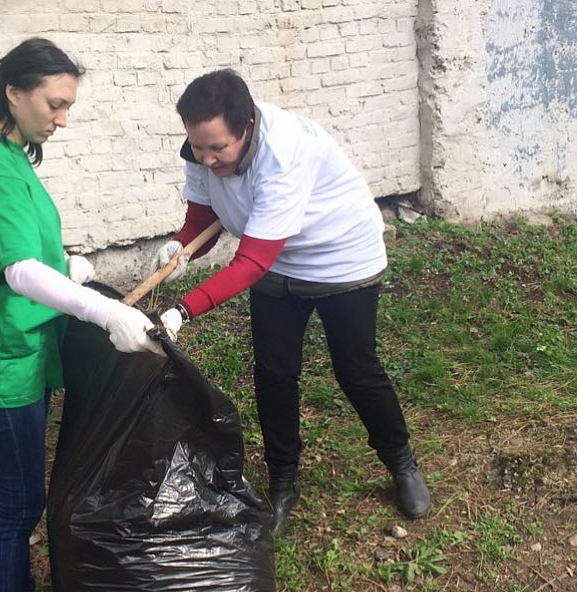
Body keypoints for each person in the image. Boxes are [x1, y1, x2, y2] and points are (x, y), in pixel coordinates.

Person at [0, 37, 161, 592]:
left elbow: (20, 245)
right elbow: (15, 269)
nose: (62, 119)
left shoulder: (9, 151)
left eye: (68, 106)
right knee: (16, 505)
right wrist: (101, 310)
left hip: (21, 348)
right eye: (55, 104)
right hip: (1, 359)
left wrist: (71, 268)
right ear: (14, 91)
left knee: (21, 498)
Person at [154, 69, 431, 537]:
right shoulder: (202, 151)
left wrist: (183, 309)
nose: (207, 158)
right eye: (198, 147)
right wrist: (180, 249)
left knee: (356, 368)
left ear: (246, 126)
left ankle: (401, 463)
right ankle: (284, 480)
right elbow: (205, 218)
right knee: (274, 372)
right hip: (278, 261)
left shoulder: (284, 155)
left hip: (340, 257)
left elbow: (251, 263)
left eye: (217, 147)